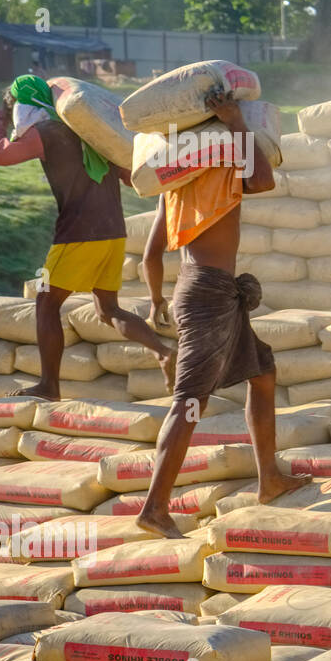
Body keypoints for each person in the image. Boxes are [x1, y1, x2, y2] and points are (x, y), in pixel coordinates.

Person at [137, 89, 308, 537]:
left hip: (199, 289)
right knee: (190, 400)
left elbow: (149, 257)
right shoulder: (219, 162)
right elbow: (264, 180)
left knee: (263, 373)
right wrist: (236, 122)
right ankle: (154, 508)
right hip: (209, 294)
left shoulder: (172, 184)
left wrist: (158, 302)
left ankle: (269, 479)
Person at [0, 75, 176, 399]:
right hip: (113, 231)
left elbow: (1, 155)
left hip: (78, 234)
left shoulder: (46, 132)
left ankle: (49, 386)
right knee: (107, 310)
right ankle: (162, 351)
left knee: (46, 303)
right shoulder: (93, 132)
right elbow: (127, 177)